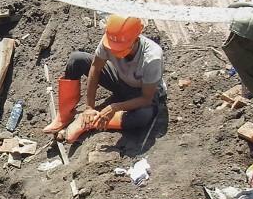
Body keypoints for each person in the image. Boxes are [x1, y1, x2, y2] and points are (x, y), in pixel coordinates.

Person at [43, 14, 164, 143]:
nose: (114, 51)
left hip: (140, 93)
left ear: (135, 40)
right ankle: (65, 115)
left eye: (119, 49)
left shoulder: (151, 58)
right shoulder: (111, 39)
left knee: (143, 116)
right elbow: (95, 68)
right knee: (77, 59)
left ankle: (91, 122)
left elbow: (146, 99)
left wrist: (114, 107)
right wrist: (89, 107)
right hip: (120, 79)